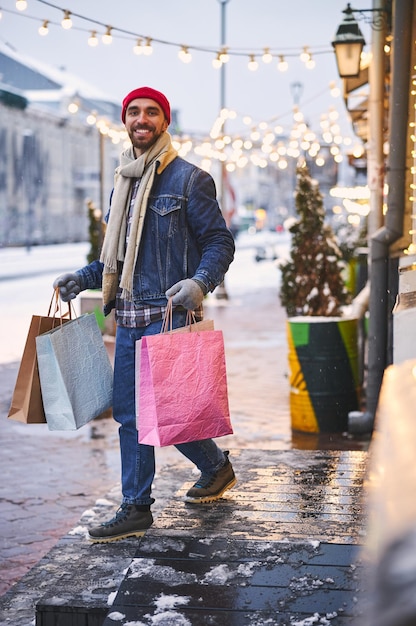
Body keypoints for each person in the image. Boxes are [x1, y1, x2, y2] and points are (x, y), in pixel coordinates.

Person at [53, 86, 236, 543]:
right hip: (130, 318)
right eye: (133, 111)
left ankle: (163, 493)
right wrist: (83, 276)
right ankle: (178, 486)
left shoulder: (190, 180)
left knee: (167, 414)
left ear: (164, 121)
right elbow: (117, 260)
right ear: (125, 120)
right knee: (134, 417)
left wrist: (200, 283)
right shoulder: (124, 183)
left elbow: (220, 242)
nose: (141, 118)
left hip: (169, 314)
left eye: (150, 112)